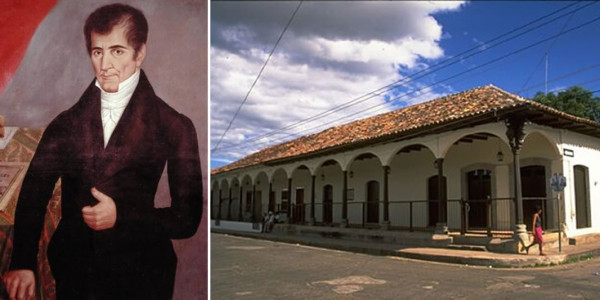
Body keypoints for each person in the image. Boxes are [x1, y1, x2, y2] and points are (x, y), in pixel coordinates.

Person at [3, 3, 203, 300]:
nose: (105, 64)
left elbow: (187, 218)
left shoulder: (175, 125)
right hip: (76, 271)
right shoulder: (66, 123)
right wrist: (22, 263)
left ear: (140, 54)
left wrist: (121, 216)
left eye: (117, 51)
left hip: (143, 274)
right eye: (98, 52)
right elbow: (33, 195)